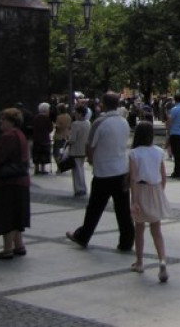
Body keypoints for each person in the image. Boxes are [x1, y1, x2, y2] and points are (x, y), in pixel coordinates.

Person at [66, 92, 135, 251]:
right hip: (121, 170)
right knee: (123, 209)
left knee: (94, 208)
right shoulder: (123, 122)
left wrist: (91, 160)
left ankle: (83, 235)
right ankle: (126, 241)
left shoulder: (100, 122)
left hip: (103, 171)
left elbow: (90, 146)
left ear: (103, 104)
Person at [0, 108, 30, 260]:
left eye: (3, 119)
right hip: (19, 181)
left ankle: (7, 249)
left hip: (8, 181)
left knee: (8, 215)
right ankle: (19, 245)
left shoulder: (9, 137)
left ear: (11, 121)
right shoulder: (20, 135)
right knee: (16, 214)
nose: (0, 122)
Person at [128, 122, 170, 282]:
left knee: (139, 228)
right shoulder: (158, 152)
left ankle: (139, 262)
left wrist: (134, 200)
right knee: (157, 230)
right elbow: (163, 174)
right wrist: (160, 192)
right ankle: (162, 260)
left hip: (141, 189)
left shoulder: (134, 153)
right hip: (156, 189)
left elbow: (133, 178)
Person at [66, 105, 90, 197]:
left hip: (76, 150)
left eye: (76, 112)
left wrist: (68, 141)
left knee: (76, 170)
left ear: (80, 114)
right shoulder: (88, 123)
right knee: (81, 168)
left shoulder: (75, 124)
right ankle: (83, 187)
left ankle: (78, 188)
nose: (74, 114)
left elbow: (72, 139)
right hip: (83, 149)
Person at [32, 102, 53, 175]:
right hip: (45, 138)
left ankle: (36, 168)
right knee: (44, 154)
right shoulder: (47, 119)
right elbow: (50, 129)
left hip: (36, 138)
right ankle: (43, 169)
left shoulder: (36, 118)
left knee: (37, 153)